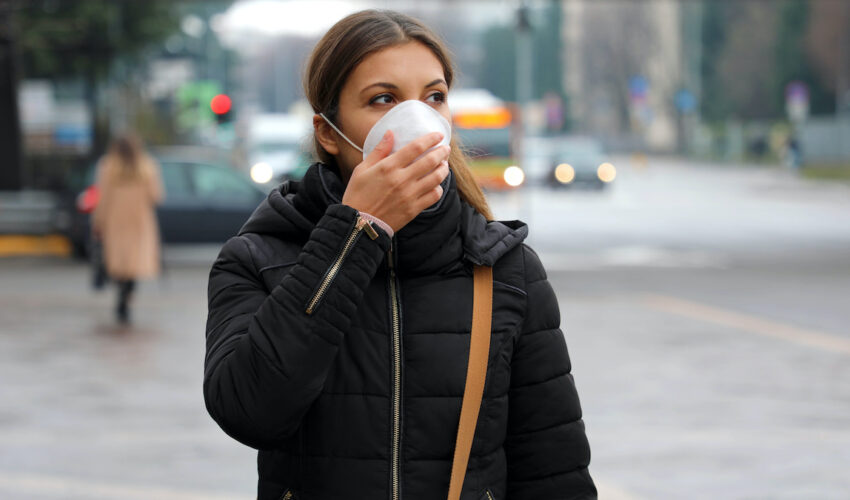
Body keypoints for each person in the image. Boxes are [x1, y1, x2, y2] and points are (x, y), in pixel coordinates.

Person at [204, 10, 595, 500]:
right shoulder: (258, 258)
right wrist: (355, 234)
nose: (418, 119)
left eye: (434, 97)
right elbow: (249, 411)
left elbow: (554, 473)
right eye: (383, 99)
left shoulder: (506, 269)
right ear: (329, 132)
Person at [91, 133, 163, 324]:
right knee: (133, 264)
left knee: (119, 262)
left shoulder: (107, 167)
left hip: (115, 221)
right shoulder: (147, 167)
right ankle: (127, 297)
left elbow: (103, 198)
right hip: (140, 221)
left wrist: (98, 222)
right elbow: (156, 196)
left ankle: (121, 294)